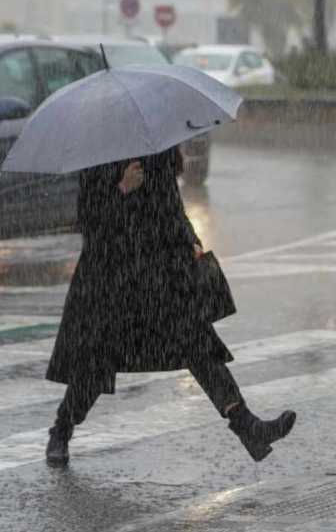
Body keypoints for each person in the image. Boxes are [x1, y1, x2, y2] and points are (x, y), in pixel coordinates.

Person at [43, 146, 296, 466]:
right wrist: (121, 190)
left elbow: (172, 208)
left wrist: (190, 238)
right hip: (112, 281)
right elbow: (90, 225)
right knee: (95, 364)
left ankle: (248, 427)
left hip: (161, 275)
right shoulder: (100, 154)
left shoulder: (156, 149)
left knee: (199, 348)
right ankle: (61, 430)